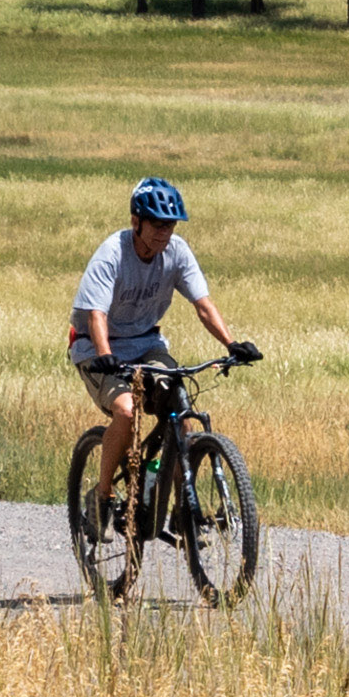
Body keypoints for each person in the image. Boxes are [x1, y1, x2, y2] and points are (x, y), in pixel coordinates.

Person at [66, 176, 256, 506]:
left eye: (170, 226)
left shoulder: (177, 252)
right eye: (157, 225)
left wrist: (232, 344)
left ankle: (185, 508)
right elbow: (96, 314)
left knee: (180, 407)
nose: (164, 233)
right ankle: (102, 494)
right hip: (96, 346)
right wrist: (106, 354)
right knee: (126, 412)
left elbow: (203, 306)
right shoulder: (112, 253)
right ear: (136, 222)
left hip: (146, 344)